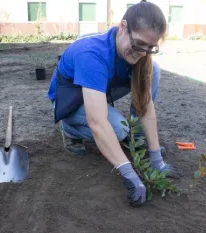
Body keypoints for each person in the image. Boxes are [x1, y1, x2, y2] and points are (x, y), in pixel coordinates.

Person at [47, 0, 180, 207]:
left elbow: (146, 108)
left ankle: (134, 139)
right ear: (123, 27)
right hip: (69, 101)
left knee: (153, 70)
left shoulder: (140, 53)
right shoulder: (91, 54)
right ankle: (70, 128)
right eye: (138, 44)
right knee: (116, 130)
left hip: (97, 90)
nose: (142, 52)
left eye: (150, 47)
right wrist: (129, 175)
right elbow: (98, 122)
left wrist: (156, 160)